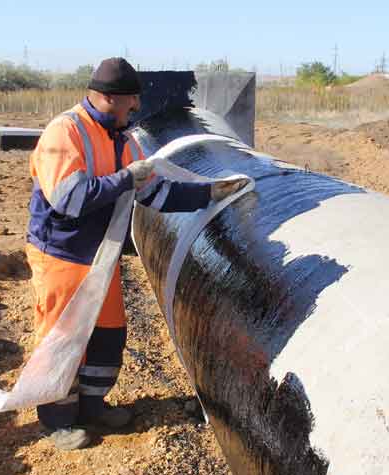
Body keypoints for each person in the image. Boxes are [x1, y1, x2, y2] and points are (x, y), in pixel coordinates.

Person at [26, 57, 243, 450]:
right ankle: (58, 420)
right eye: (130, 101)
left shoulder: (124, 140)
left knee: (109, 334)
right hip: (60, 255)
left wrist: (210, 193)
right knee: (62, 338)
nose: (136, 108)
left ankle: (93, 407)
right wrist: (126, 178)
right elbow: (68, 200)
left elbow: (156, 193)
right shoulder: (66, 133)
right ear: (107, 98)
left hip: (99, 255)